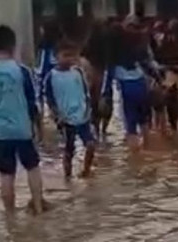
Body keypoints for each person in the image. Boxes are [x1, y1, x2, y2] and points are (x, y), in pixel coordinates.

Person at [0, 25, 45, 215]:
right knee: (32, 167)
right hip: (21, 128)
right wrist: (39, 127)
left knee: (6, 174)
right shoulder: (21, 71)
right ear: (13, 45)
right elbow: (32, 102)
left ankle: (10, 216)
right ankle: (38, 206)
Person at [106, 16, 160, 151]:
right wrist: (159, 80)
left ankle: (135, 161)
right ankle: (147, 151)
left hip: (128, 91)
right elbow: (151, 67)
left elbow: (108, 79)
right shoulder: (140, 49)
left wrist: (106, 94)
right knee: (144, 121)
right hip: (142, 86)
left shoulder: (114, 58)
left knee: (131, 126)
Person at [44, 39, 96, 179]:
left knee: (91, 145)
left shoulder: (78, 72)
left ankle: (86, 171)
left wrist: (88, 109)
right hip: (66, 119)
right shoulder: (51, 76)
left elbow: (85, 92)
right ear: (56, 57)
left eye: (72, 56)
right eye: (65, 55)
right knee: (69, 149)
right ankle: (68, 177)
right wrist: (56, 115)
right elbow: (49, 99)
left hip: (83, 116)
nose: (69, 59)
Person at [81, 21, 112, 138]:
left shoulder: (88, 43)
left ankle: (96, 130)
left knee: (93, 102)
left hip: (93, 71)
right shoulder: (107, 43)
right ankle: (103, 131)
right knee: (105, 101)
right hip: (101, 71)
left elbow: (82, 56)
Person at [36, 20, 61, 109]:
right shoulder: (60, 48)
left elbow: (40, 72)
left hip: (48, 91)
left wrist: (39, 97)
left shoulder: (45, 49)